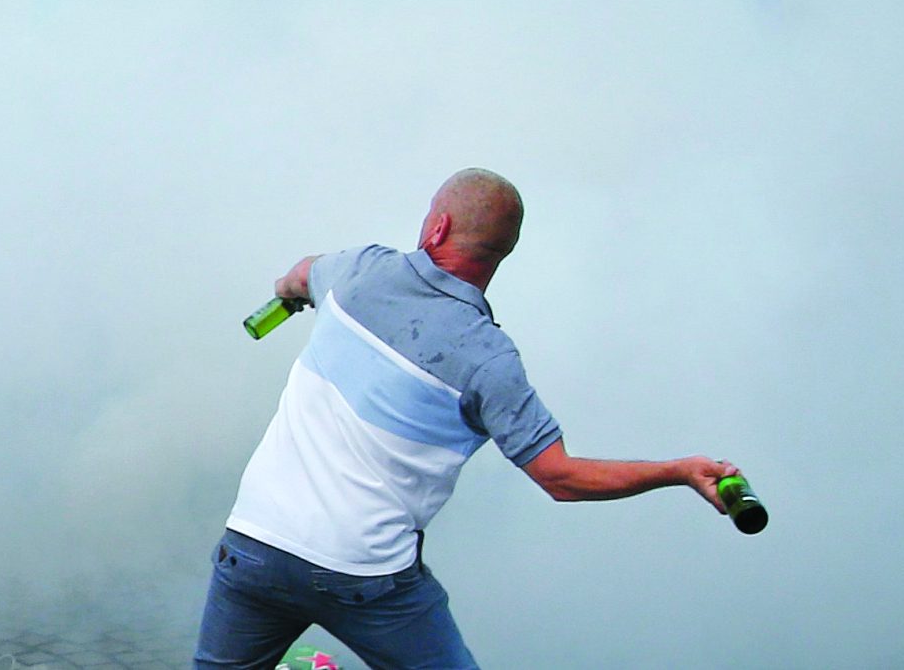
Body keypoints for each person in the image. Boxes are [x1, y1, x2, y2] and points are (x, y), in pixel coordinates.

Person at [193, 169, 740, 670]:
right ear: (501, 255)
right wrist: (680, 470)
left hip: (254, 547)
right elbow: (563, 480)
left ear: (438, 227)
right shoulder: (490, 360)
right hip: (366, 579)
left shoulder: (356, 271)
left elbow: (296, 276)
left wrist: (295, 294)